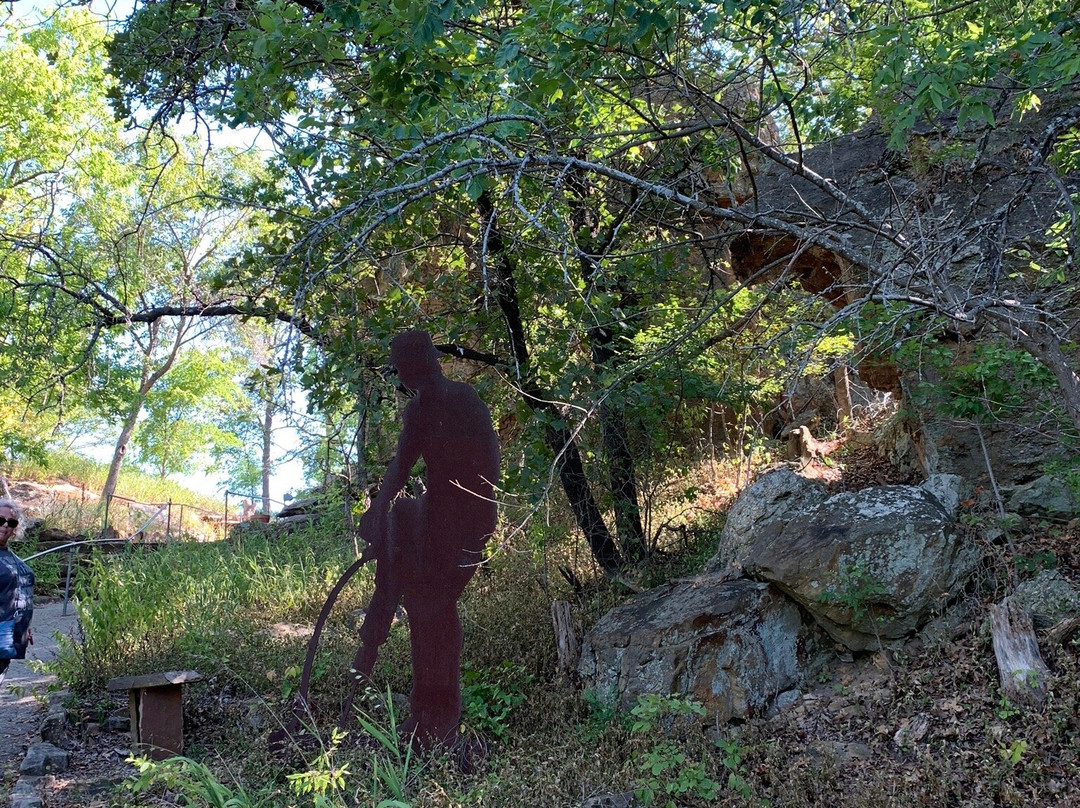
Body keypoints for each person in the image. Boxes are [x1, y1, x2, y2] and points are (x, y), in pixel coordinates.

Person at [350, 331, 500, 748]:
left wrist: (471, 524)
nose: (401, 377)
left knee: (433, 609)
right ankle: (420, 706)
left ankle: (438, 718)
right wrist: (379, 514)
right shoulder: (422, 409)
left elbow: (487, 468)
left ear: (419, 366)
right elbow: (401, 466)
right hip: (441, 519)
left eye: (402, 368)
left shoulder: (459, 400)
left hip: (464, 521)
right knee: (421, 600)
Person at [0, 498, 34, 688]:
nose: (5, 525)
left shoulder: (11, 558)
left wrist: (25, 625)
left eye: (11, 522)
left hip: (9, 637)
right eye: (0, 520)